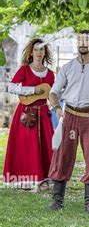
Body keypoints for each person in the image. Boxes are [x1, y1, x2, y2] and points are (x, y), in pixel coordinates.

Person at [48, 30, 89, 214]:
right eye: (80, 40)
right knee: (62, 156)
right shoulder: (67, 67)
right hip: (68, 116)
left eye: (87, 40)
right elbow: (53, 93)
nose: (83, 43)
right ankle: (57, 200)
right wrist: (57, 109)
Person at [3, 39, 55, 189]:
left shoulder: (50, 74)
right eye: (36, 49)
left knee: (46, 145)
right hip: (26, 113)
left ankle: (44, 179)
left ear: (45, 52)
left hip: (44, 112)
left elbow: (53, 94)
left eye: (42, 50)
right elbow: (11, 87)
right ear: (31, 52)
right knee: (25, 145)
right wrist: (32, 91)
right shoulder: (24, 70)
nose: (39, 52)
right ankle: (26, 179)